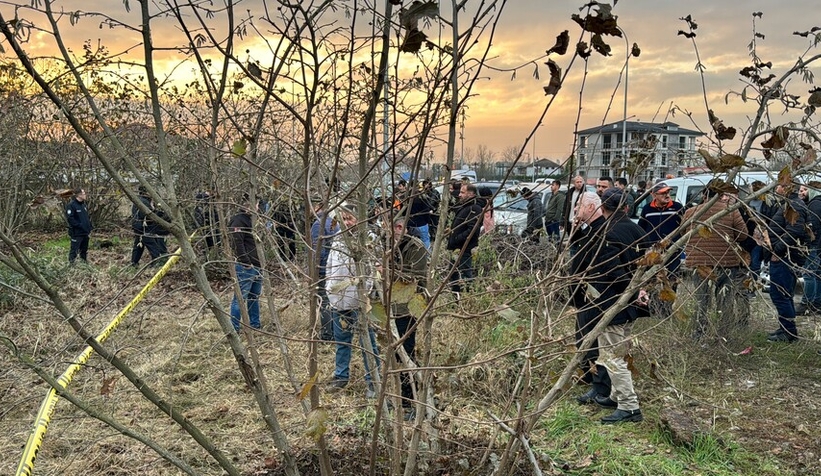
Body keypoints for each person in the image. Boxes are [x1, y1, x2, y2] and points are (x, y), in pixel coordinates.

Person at [578, 188, 648, 424]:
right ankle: (616, 395)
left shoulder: (607, 234)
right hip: (631, 302)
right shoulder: (638, 230)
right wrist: (639, 290)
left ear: (603, 208)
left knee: (612, 356)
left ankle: (629, 406)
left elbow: (611, 272)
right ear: (627, 208)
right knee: (620, 351)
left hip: (611, 302)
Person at [682, 181, 750, 341]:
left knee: (702, 300)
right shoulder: (732, 212)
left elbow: (683, 234)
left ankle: (699, 334)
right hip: (726, 263)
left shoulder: (691, 212)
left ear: (705, 195)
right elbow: (743, 235)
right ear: (721, 195)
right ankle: (723, 336)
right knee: (724, 301)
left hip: (699, 264)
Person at [326, 206, 380, 398]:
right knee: (342, 341)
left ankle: (373, 382)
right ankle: (341, 377)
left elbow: (373, 270)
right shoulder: (338, 238)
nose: (347, 222)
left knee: (368, 344)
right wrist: (330, 289)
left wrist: (365, 294)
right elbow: (330, 266)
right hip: (338, 301)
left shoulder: (368, 238)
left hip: (359, 301)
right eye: (343, 219)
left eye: (350, 218)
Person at [570, 191, 612, 407]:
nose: (576, 208)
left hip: (593, 295)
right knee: (582, 337)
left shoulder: (602, 231)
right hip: (583, 294)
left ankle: (599, 384)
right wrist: (575, 226)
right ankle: (588, 374)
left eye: (579, 205)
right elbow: (571, 244)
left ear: (590, 207)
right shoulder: (589, 229)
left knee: (592, 340)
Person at [387, 217, 429, 419]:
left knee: (407, 353)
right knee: (393, 354)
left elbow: (415, 278)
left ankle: (410, 400)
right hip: (390, 308)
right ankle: (397, 397)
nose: (397, 231)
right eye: (394, 226)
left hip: (407, 309)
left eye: (401, 227)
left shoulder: (416, 246)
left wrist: (387, 272)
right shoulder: (386, 245)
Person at [760, 182, 808, 342]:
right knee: (782, 294)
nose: (776, 188)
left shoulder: (794, 206)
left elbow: (794, 231)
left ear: (787, 188)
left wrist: (777, 251)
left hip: (785, 257)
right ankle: (785, 329)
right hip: (783, 256)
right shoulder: (788, 204)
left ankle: (788, 333)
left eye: (780, 185)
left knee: (780, 294)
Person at [638, 182, 684, 317]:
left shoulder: (677, 208)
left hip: (672, 253)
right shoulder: (647, 209)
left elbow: (684, 228)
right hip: (652, 253)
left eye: (668, 192)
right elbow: (641, 229)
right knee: (651, 281)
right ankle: (651, 310)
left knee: (670, 281)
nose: (667, 195)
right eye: (663, 193)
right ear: (654, 195)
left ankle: (665, 312)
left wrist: (675, 244)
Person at [228, 194, 263, 331]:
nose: (257, 207)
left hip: (257, 265)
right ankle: (234, 328)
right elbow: (237, 243)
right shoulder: (238, 221)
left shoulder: (253, 220)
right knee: (240, 299)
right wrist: (246, 262)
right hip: (246, 267)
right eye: (256, 204)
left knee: (254, 297)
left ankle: (255, 325)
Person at [446, 183, 484, 293]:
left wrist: (458, 238)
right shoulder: (466, 207)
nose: (459, 195)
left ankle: (467, 297)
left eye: (463, 192)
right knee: (453, 274)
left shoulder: (474, 208)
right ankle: (456, 298)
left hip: (464, 248)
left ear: (471, 194)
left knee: (465, 274)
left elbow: (473, 229)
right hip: (457, 248)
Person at [311, 200, 340, 341]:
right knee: (333, 301)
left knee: (324, 302)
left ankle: (328, 334)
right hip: (335, 267)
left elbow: (318, 251)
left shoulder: (318, 225)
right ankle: (335, 331)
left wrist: (316, 269)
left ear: (317, 207)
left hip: (323, 269)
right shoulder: (335, 224)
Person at [797, 181, 821, 316]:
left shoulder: (815, 205)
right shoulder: (816, 203)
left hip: (813, 245)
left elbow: (813, 227)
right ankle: (817, 303)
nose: (802, 192)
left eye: (805, 190)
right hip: (818, 245)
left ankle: (806, 303)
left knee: (808, 274)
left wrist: (808, 243)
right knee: (817, 275)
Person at [131, 186, 170, 267]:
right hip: (144, 227)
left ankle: (134, 262)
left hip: (139, 227)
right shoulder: (143, 201)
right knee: (151, 244)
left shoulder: (143, 200)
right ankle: (157, 261)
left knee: (138, 245)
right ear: (145, 192)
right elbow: (147, 215)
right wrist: (159, 214)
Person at [66, 188, 92, 264]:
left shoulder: (83, 205)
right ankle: (71, 265)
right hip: (77, 233)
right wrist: (79, 226)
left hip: (85, 232)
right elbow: (70, 219)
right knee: (74, 250)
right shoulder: (71, 205)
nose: (85, 195)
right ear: (79, 195)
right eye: (84, 193)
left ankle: (84, 263)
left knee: (84, 250)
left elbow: (86, 217)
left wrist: (89, 227)